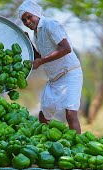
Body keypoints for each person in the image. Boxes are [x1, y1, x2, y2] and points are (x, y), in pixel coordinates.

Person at [18, 0, 83, 134]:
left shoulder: (50, 25)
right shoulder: (36, 34)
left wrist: (41, 61)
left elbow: (65, 48)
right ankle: (47, 144)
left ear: (36, 13)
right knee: (43, 117)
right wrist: (28, 41)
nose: (27, 21)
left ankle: (79, 148)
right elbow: (38, 57)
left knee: (70, 114)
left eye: (29, 17)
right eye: (24, 20)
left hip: (70, 73)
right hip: (54, 79)